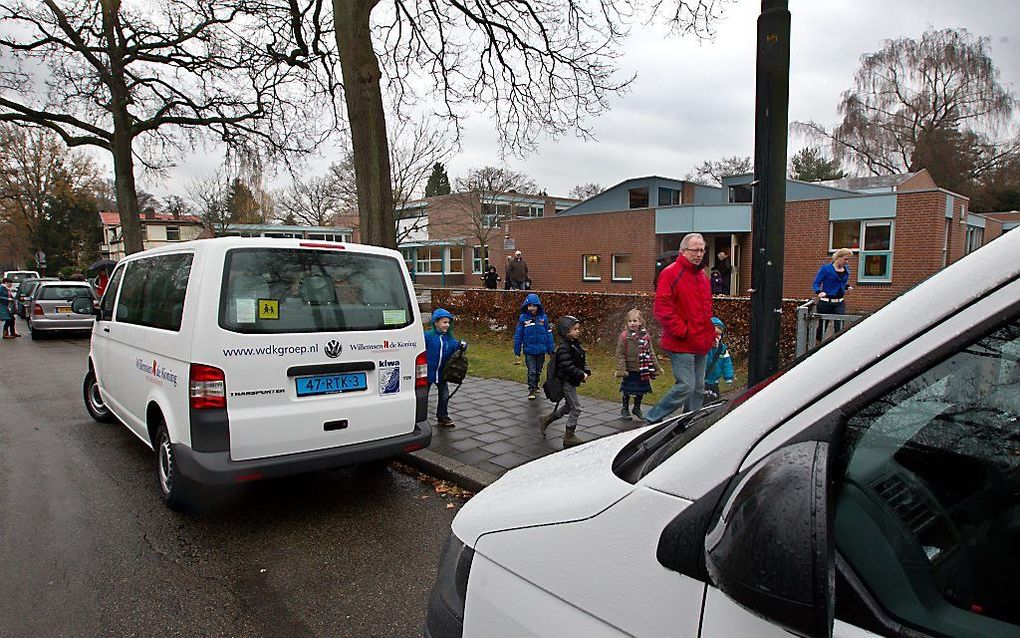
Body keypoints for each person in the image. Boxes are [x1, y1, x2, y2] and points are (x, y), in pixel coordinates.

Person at [644, 233, 715, 425]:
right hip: (681, 342)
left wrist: (710, 332)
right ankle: (652, 419)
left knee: (698, 388)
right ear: (683, 251)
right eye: (695, 250)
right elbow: (662, 309)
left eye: (702, 250)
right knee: (686, 386)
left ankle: (688, 423)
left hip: (701, 342)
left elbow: (706, 309)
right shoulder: (670, 273)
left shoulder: (702, 276)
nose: (699, 254)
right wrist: (682, 331)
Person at [540, 316, 591, 447]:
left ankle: (547, 419)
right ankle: (569, 435)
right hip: (566, 382)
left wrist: (585, 370)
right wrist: (580, 374)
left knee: (569, 406)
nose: (578, 331)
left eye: (578, 329)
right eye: (574, 329)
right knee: (576, 408)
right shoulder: (564, 348)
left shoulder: (574, 344)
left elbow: (579, 360)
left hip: (570, 381)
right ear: (566, 332)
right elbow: (567, 366)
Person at [424, 308, 467, 428]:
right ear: (436, 323)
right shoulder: (427, 337)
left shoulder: (449, 339)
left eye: (448, 322)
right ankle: (419, 417)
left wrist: (462, 346)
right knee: (422, 396)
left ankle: (442, 416)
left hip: (442, 373)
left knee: (444, 395)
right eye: (444, 322)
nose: (447, 325)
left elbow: (456, 347)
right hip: (427, 373)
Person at [614, 309, 660, 421]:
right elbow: (619, 353)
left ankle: (637, 407)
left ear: (640, 322)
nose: (632, 323)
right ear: (627, 323)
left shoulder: (645, 337)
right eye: (630, 321)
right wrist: (621, 369)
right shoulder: (624, 336)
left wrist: (656, 367)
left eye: (635, 320)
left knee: (641, 389)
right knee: (627, 389)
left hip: (642, 368)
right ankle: (625, 408)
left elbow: (651, 352)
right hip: (629, 368)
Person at [513, 292, 555, 400]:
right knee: (531, 370)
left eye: (534, 306)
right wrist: (517, 350)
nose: (532, 308)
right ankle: (531, 388)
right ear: (526, 306)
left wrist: (551, 349)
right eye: (530, 306)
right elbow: (518, 334)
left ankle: (536, 384)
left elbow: (549, 333)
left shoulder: (543, 318)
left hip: (541, 349)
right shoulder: (523, 319)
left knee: (538, 370)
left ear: (538, 306)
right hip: (529, 350)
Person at [812, 247, 853, 343]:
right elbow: (816, 283)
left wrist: (846, 286)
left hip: (839, 302)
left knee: (840, 325)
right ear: (838, 257)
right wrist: (819, 292)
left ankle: (837, 345)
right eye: (845, 259)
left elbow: (841, 283)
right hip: (826, 302)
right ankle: (818, 344)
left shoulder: (846, 269)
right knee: (823, 326)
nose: (847, 262)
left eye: (848, 260)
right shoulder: (826, 269)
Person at [704, 317, 735, 401]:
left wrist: (728, 377)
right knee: (702, 400)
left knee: (715, 399)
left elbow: (727, 364)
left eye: (719, 334)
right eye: (715, 334)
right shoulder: (704, 346)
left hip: (715, 381)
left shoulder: (723, 349)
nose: (717, 337)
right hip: (703, 380)